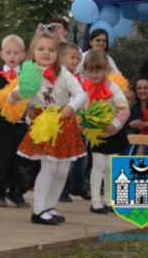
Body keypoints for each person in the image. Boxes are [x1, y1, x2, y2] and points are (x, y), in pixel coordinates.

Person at [8, 31, 87, 225]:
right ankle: (38, 210)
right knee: (49, 167)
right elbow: (12, 96)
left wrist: (70, 107)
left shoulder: (64, 74)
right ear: (33, 52)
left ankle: (50, 207)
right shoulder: (29, 74)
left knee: (62, 170)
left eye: (51, 49)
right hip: (44, 125)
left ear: (57, 55)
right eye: (41, 49)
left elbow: (81, 94)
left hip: (64, 123)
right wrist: (18, 95)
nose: (46, 52)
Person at [81, 50, 129, 214]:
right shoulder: (84, 88)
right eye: (90, 70)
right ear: (85, 70)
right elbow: (79, 109)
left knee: (111, 167)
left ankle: (109, 199)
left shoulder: (113, 87)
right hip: (96, 135)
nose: (94, 75)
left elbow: (124, 109)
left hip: (114, 132)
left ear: (106, 70)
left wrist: (114, 124)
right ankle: (95, 201)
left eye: (98, 70)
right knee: (98, 165)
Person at [0, 35, 31, 208]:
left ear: (23, 55)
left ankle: (16, 191)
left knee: (20, 159)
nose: (12, 56)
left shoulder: (27, 76)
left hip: (20, 124)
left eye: (16, 53)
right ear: (1, 54)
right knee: (0, 158)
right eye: (8, 52)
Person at [58, 42, 90, 203]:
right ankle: (62, 190)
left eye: (78, 58)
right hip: (61, 120)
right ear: (61, 58)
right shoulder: (58, 76)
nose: (76, 61)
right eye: (73, 57)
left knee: (78, 156)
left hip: (77, 120)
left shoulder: (77, 77)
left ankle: (75, 185)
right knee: (63, 157)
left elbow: (82, 98)